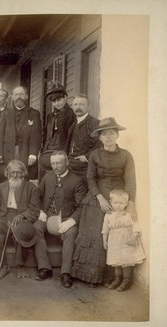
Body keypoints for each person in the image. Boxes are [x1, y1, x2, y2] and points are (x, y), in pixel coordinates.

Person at [72, 117, 136, 287]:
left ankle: (114, 277)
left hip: (118, 202)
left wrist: (128, 204)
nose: (108, 137)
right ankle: (90, 276)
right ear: (99, 138)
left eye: (111, 134)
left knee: (117, 237)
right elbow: (90, 178)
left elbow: (130, 180)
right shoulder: (94, 155)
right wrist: (99, 198)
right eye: (104, 134)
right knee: (95, 235)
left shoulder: (126, 155)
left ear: (117, 136)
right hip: (96, 198)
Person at [33, 150, 87, 288]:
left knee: (71, 233)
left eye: (59, 163)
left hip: (67, 218)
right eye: (53, 163)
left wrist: (71, 221)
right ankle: (44, 267)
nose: (55, 166)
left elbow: (82, 206)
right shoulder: (47, 177)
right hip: (48, 215)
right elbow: (37, 196)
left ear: (67, 162)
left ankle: (66, 273)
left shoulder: (77, 181)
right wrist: (40, 211)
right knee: (37, 227)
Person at [0, 160, 40, 279]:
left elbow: (35, 210)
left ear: (23, 173)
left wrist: (22, 216)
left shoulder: (32, 188)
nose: (15, 176)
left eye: (18, 173)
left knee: (22, 230)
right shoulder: (1, 187)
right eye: (12, 173)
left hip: (21, 217)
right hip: (3, 217)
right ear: (7, 173)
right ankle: (1, 266)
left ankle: (20, 265)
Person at [0, 86, 42, 180]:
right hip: (8, 152)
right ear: (12, 97)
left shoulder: (34, 113)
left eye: (21, 94)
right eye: (16, 94)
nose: (19, 96)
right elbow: (0, 134)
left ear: (26, 96)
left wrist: (33, 154)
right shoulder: (6, 113)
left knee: (24, 177)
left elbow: (36, 135)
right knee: (8, 177)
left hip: (26, 151)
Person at [102, 189, 145, 292]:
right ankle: (118, 278)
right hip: (114, 242)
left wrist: (134, 236)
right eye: (115, 203)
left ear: (126, 204)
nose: (118, 205)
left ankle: (126, 280)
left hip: (126, 241)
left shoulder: (129, 214)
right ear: (110, 202)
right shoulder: (108, 215)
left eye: (121, 203)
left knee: (126, 262)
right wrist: (105, 240)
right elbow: (105, 229)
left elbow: (136, 226)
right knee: (117, 262)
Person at [39, 81, 76, 179]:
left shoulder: (71, 114)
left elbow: (71, 136)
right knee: (48, 175)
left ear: (65, 97)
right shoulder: (50, 116)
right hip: (49, 147)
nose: (57, 103)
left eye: (59, 100)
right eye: (54, 101)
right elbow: (46, 134)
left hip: (62, 147)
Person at [66, 93, 101, 183]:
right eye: (75, 104)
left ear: (88, 106)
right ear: (72, 107)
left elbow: (100, 144)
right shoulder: (73, 124)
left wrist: (86, 157)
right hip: (71, 165)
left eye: (82, 104)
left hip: (85, 167)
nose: (78, 107)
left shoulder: (94, 123)